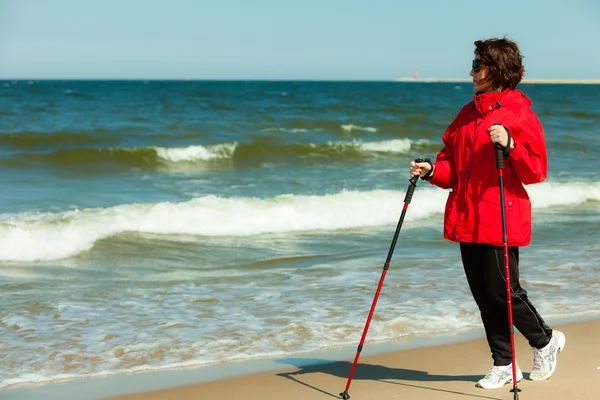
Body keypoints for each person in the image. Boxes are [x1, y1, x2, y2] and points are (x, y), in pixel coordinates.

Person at [409, 37, 565, 389]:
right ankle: (503, 364)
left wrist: (510, 146)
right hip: (467, 215)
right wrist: (433, 170)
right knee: (483, 293)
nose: (472, 71)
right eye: (474, 63)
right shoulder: (467, 113)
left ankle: (545, 340)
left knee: (504, 290)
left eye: (478, 65)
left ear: (496, 69)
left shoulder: (519, 113)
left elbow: (536, 170)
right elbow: (452, 163)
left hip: (500, 215)